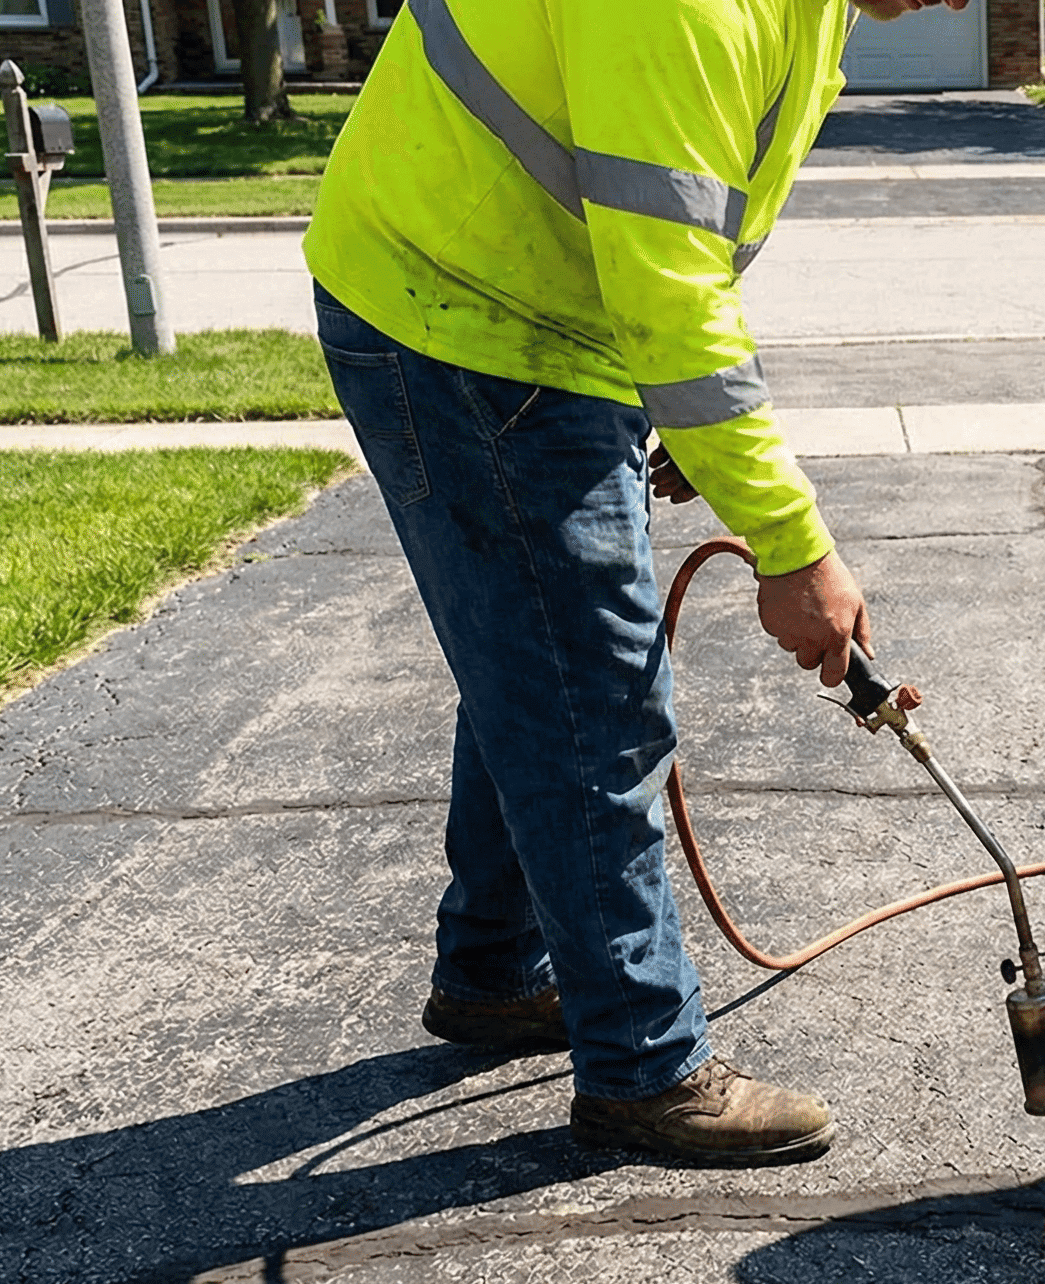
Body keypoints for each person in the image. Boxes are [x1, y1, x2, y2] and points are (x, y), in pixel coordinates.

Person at [302, 0, 960, 1165]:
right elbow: (668, 281)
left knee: (538, 650)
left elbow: (676, 226)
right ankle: (643, 1065)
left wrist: (679, 406)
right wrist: (790, 545)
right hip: (462, 312)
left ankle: (497, 969)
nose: (964, 6)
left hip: (534, 303)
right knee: (589, 696)